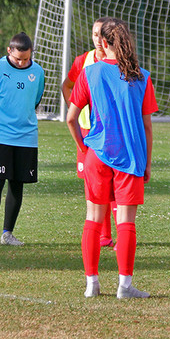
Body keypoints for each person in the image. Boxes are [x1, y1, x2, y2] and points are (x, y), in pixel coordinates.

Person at [67, 18, 156, 300]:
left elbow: (71, 118)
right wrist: (148, 162)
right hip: (131, 156)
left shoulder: (89, 72)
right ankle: (124, 286)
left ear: (103, 43)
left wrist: (84, 147)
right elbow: (147, 126)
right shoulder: (141, 76)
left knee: (93, 217)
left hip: (97, 154)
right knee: (126, 222)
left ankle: (91, 283)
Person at [0, 33, 46, 247]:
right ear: (9, 51)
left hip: (26, 137)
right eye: (17, 59)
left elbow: (36, 98)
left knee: (17, 184)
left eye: (26, 59)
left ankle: (7, 234)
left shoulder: (38, 72)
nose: (22, 62)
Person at [61, 18, 116, 248]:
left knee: (114, 181)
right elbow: (67, 85)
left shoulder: (118, 62)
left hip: (111, 132)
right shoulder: (82, 61)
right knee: (93, 183)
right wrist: (76, 106)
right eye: (94, 34)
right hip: (86, 131)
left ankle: (120, 233)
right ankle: (103, 235)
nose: (97, 39)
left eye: (100, 34)